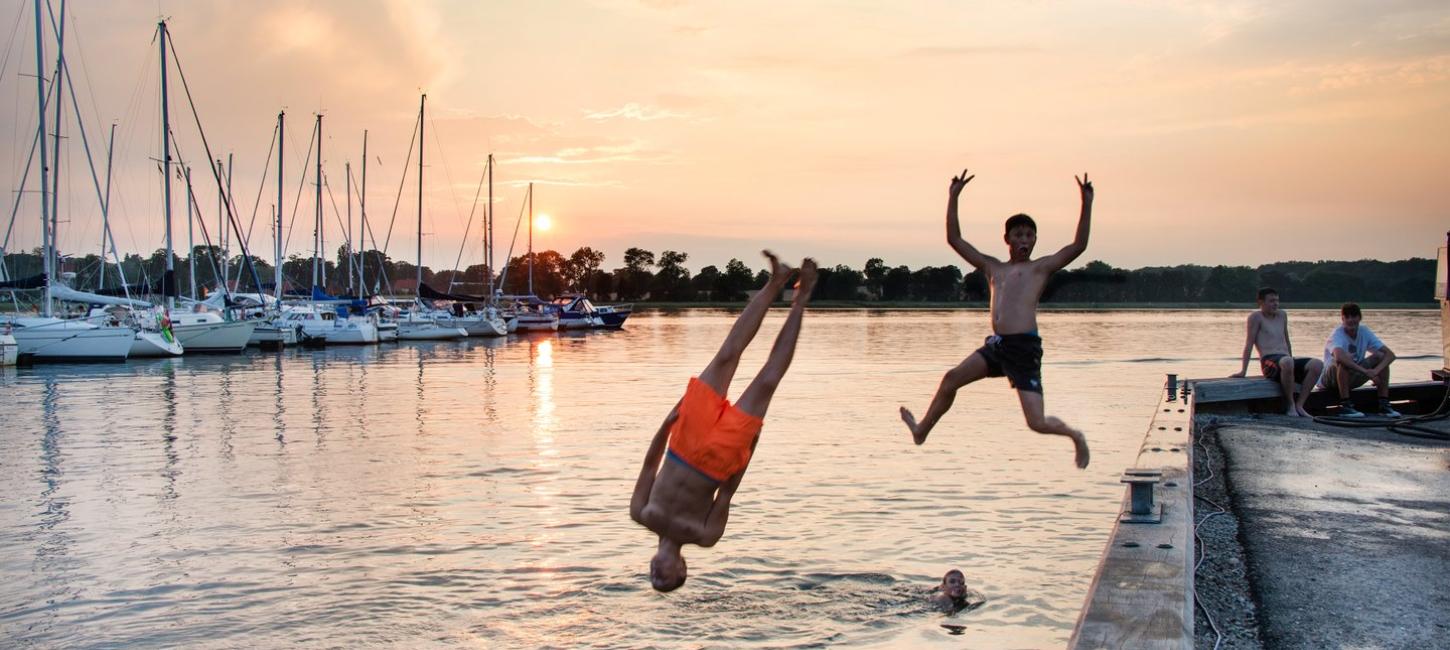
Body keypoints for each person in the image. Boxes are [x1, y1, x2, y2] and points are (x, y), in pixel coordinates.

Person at [630, 251, 818, 592]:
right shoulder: (705, 536)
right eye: (666, 579)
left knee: (727, 354)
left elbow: (648, 465)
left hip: (683, 441)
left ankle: (775, 281)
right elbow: (728, 492)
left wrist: (667, 422)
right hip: (719, 460)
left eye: (652, 578)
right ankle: (800, 300)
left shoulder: (641, 514)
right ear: (683, 570)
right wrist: (749, 447)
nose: (656, 575)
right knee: (767, 381)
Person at [899, 168, 1091, 469]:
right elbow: (954, 239)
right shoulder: (993, 269)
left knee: (1036, 422)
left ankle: (1074, 435)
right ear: (1007, 239)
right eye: (1018, 235)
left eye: (1029, 235)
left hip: (1024, 349)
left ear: (1035, 239)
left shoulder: (1040, 269)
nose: (1024, 240)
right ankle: (921, 430)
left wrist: (1086, 202)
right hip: (998, 346)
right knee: (950, 380)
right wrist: (953, 197)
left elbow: (1078, 246)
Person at [1230, 287, 1323, 417]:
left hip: (1286, 361)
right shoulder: (1256, 317)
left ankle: (1300, 405)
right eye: (1271, 301)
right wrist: (1243, 371)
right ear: (1261, 302)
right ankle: (1290, 405)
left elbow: (1286, 339)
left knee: (1317, 364)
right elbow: (1249, 344)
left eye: (1277, 301)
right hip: (1269, 362)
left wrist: (1291, 362)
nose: (1276, 304)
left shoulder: (1282, 315)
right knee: (1287, 361)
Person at [1320, 302, 1400, 418]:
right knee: (1343, 360)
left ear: (1360, 318)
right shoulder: (1337, 334)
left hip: (1353, 375)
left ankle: (1384, 404)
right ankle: (1346, 405)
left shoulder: (1364, 331)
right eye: (1347, 317)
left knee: (1380, 357)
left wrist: (1376, 371)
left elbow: (1390, 355)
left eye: (1354, 316)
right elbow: (1338, 357)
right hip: (1330, 380)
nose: (1350, 320)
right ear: (1342, 319)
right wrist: (1367, 373)